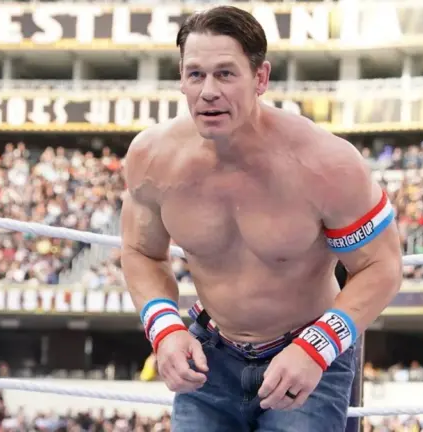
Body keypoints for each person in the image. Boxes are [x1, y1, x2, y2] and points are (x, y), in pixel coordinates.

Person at [120, 6, 403, 432]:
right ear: (181, 78)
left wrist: (316, 348)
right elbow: (141, 251)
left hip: (307, 352)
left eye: (225, 74)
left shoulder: (326, 164)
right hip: (208, 354)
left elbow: (381, 266)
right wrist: (165, 328)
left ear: (260, 78)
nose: (208, 91)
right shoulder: (152, 158)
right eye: (195, 74)